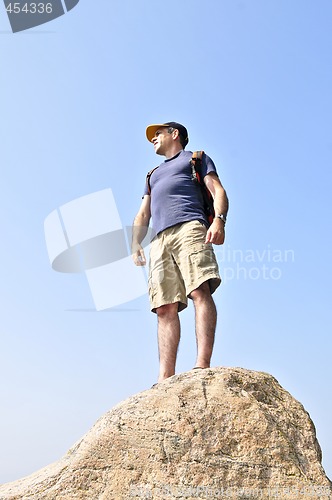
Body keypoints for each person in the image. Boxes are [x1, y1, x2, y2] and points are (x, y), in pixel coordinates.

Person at [132, 122, 228, 383]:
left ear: (175, 135)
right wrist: (136, 242)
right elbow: (144, 212)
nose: (153, 138)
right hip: (160, 240)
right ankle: (165, 378)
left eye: (158, 133)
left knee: (199, 290)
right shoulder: (152, 174)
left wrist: (219, 220)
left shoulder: (195, 159)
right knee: (164, 307)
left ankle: (202, 364)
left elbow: (217, 190)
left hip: (190, 227)